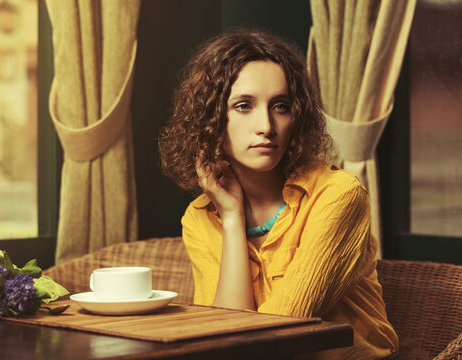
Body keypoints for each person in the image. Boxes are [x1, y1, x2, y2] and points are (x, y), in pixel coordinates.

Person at [158, 30, 398, 360]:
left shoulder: (339, 196)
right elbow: (225, 337)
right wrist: (232, 218)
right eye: (243, 106)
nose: (267, 126)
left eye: (280, 106)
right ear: (211, 119)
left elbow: (275, 334)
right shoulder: (201, 218)